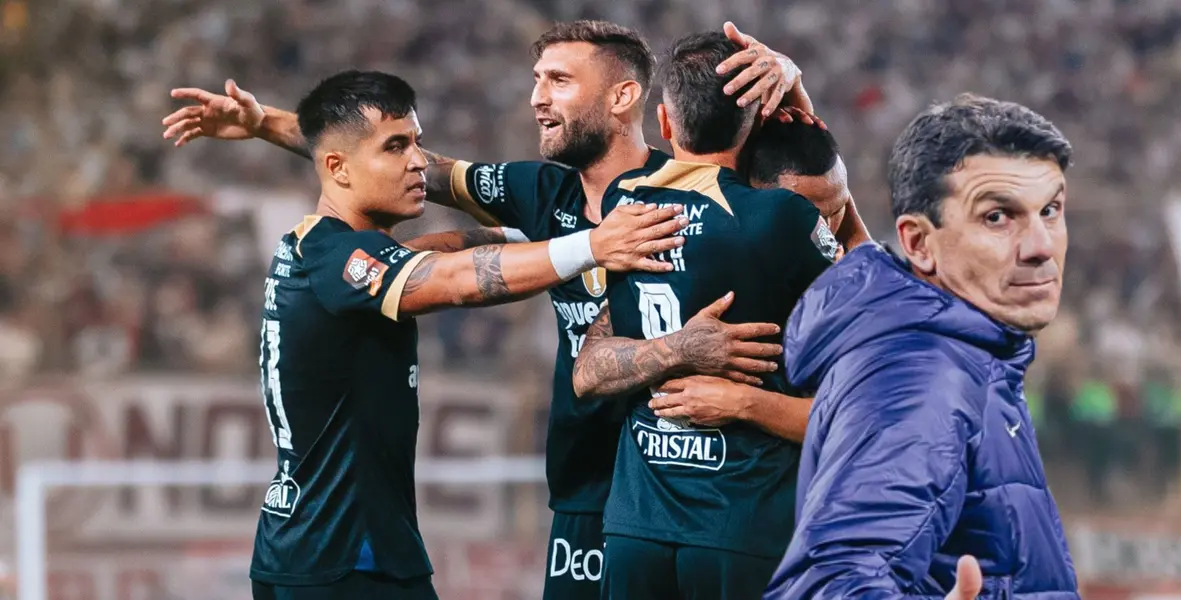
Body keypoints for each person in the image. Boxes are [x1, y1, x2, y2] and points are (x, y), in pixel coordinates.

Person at [161, 20, 813, 600]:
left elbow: (812, 197)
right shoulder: (541, 191)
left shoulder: (703, 200)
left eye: (558, 80)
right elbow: (404, 167)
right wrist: (266, 125)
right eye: (536, 79)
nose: (536, 97)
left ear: (622, 97)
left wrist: (791, 86)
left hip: (688, 495)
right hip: (584, 495)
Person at [247, 70, 689, 600]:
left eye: (416, 142)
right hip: (344, 560)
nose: (418, 162)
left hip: (310, 549)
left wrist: (556, 230)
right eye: (395, 147)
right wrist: (592, 246)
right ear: (337, 168)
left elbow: (440, 252)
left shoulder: (321, 251)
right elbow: (455, 281)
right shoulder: (333, 254)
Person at [569, 32, 858, 600]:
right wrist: (795, 102)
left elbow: (589, 366)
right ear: (754, 128)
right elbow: (874, 287)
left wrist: (674, 350)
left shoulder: (624, 204)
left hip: (636, 524)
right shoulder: (781, 218)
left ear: (665, 123)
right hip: (740, 522)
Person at [764, 94, 1080, 600]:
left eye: (1050, 210)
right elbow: (833, 583)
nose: (1041, 245)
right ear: (918, 244)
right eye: (997, 217)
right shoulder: (924, 376)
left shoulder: (971, 354)